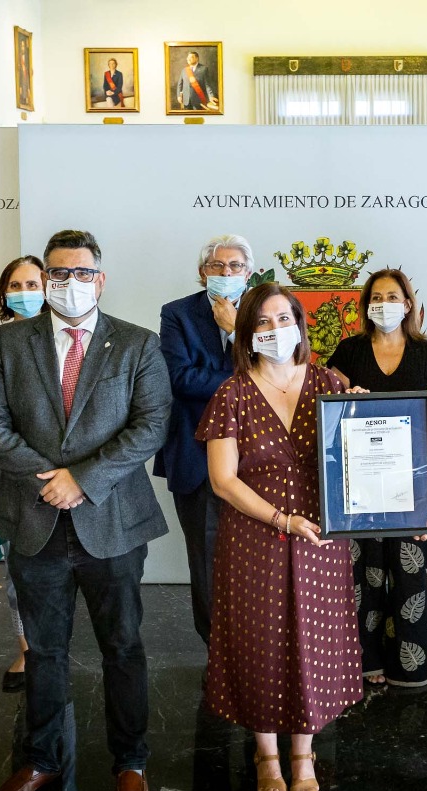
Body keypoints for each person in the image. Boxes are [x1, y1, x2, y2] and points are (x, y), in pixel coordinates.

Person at [0, 229, 172, 791]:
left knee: (123, 646)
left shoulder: (137, 343)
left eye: (82, 273)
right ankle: (41, 759)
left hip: (112, 520)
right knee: (44, 650)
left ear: (100, 280)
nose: (70, 283)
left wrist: (82, 479)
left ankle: (130, 761)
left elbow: (151, 425)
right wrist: (48, 479)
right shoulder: (9, 343)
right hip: (34, 519)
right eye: (59, 273)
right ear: (45, 279)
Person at [197, 283, 364, 791]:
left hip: (321, 538)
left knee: (314, 640)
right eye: (262, 323)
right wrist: (281, 519)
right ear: (246, 334)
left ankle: (303, 754)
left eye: (283, 319)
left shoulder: (329, 383)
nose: (274, 330)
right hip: (256, 537)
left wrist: (365, 417)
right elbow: (223, 480)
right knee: (260, 642)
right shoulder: (231, 394)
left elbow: (359, 454)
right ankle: (267, 754)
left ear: (300, 325)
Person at [329, 268, 427, 687]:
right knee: (364, 572)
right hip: (359, 485)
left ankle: (410, 665)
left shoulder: (426, 353)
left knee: (412, 573)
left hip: (412, 484)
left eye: (392, 297)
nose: (384, 304)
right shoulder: (349, 351)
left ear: (408, 304)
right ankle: (366, 661)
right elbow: (325, 407)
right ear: (365, 306)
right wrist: (344, 398)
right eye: (376, 298)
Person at [158, 235, 253, 646]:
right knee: (208, 562)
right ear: (202, 273)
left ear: (248, 273)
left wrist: (238, 331)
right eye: (217, 266)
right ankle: (218, 655)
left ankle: (257, 650)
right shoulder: (177, 314)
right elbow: (179, 378)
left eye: (235, 266)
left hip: (258, 458)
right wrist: (248, 379)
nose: (226, 273)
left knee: (259, 559)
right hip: (197, 458)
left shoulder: (267, 312)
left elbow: (284, 371)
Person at [0, 255, 44, 692]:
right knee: (19, 563)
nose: (24, 293)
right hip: (8, 468)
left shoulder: (69, 335)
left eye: (32, 284)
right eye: (15, 285)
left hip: (67, 470)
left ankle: (54, 645)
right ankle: (26, 647)